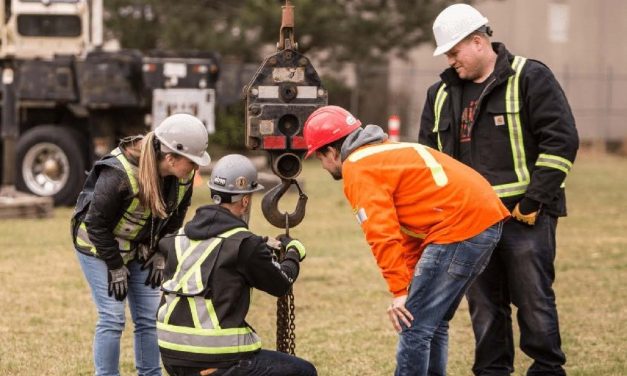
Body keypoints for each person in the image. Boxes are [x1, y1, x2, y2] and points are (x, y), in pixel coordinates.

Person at [419, 4, 579, 376]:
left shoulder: (530, 77)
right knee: (485, 304)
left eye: (454, 52)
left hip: (527, 215)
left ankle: (546, 368)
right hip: (471, 221)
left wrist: (534, 199)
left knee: (534, 299)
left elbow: (561, 141)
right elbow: (430, 160)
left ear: (477, 42)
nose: (451, 60)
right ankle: (492, 371)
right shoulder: (438, 94)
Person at [303, 105, 510, 376]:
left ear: (329, 151)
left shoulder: (358, 166)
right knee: (432, 323)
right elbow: (409, 230)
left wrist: (400, 292)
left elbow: (381, 232)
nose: (322, 166)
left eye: (319, 158)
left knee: (413, 325)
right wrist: (410, 281)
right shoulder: (387, 151)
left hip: (458, 227)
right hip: (482, 220)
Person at [71, 113, 211, 376]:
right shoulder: (119, 175)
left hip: (139, 246)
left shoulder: (183, 178)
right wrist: (114, 266)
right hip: (99, 245)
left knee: (149, 317)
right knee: (113, 317)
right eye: (192, 162)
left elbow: (175, 218)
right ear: (171, 157)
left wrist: (161, 251)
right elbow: (96, 224)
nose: (195, 168)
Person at [155, 154, 316, 376]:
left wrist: (259, 243)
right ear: (246, 200)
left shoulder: (178, 238)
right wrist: (293, 253)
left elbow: (217, 247)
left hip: (172, 356)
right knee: (303, 371)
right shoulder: (245, 244)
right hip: (217, 358)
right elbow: (281, 284)